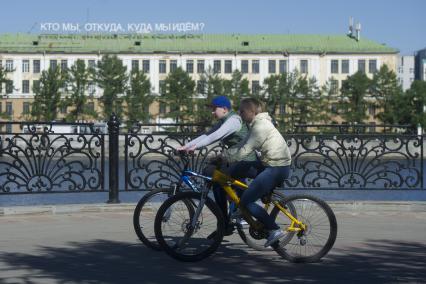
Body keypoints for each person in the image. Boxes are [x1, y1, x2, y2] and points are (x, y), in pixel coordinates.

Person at [177, 95, 256, 234]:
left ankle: (225, 220)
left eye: (214, 109)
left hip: (246, 160)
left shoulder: (234, 120)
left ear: (225, 109)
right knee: (213, 175)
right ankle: (228, 215)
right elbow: (207, 135)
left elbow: (215, 136)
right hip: (235, 159)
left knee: (213, 175)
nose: (212, 112)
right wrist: (185, 146)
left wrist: (195, 148)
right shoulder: (224, 121)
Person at [219, 97, 292, 247]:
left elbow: (247, 149)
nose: (239, 113)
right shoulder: (254, 124)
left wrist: (225, 158)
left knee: (247, 202)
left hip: (276, 168)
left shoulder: (261, 127)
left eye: (242, 110)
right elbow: (241, 143)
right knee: (237, 169)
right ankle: (239, 204)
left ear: (252, 111)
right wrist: (225, 155)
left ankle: (274, 229)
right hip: (269, 164)